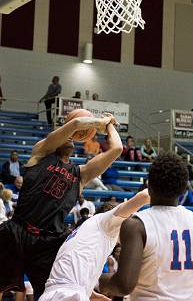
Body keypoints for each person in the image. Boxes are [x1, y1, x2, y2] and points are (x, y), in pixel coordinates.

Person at [0, 113, 122, 299]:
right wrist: (99, 122)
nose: (71, 138)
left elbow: (117, 149)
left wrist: (110, 125)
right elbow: (76, 123)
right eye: (68, 135)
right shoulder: (41, 153)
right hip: (16, 230)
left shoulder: (81, 174)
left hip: (49, 244)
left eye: (74, 138)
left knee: (51, 295)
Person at [99, 151, 193, 300]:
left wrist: (99, 280)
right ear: (184, 189)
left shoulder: (136, 225)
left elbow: (123, 285)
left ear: (149, 186)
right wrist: (190, 259)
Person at [38, 189, 150, 301]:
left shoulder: (87, 229)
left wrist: (89, 291)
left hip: (54, 293)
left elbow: (71, 267)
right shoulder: (107, 222)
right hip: (69, 294)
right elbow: (144, 196)